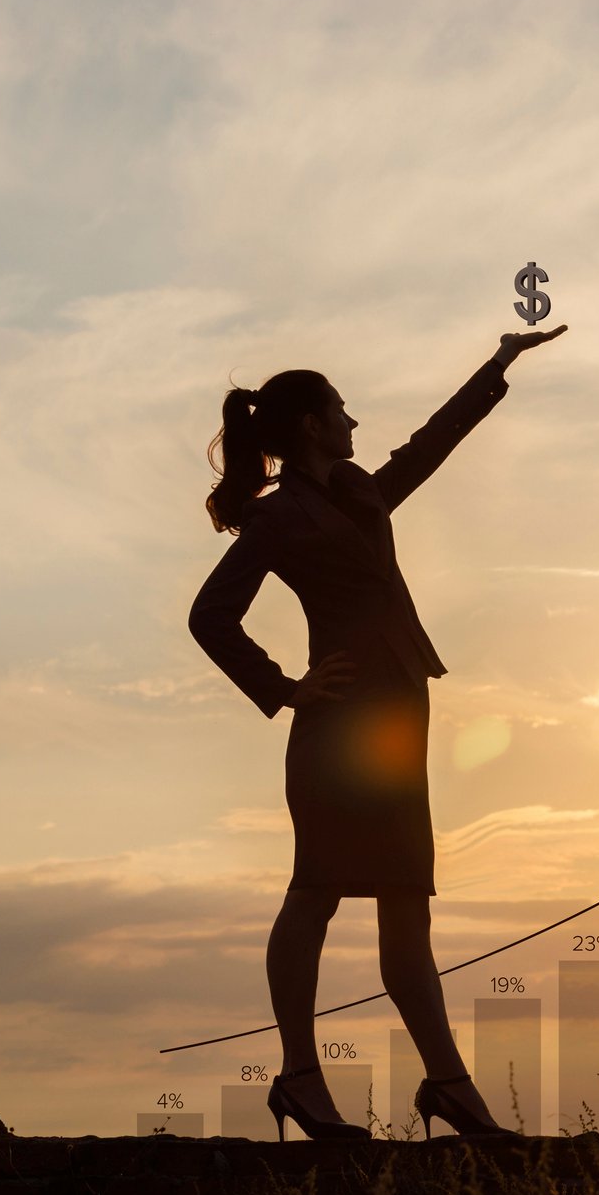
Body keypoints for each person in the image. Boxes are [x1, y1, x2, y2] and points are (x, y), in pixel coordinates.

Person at [189, 324, 569, 1139]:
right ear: (311, 427)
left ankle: (448, 1085)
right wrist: (285, 688)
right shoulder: (278, 519)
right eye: (342, 410)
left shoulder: (358, 491)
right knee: (317, 892)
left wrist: (496, 366)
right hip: (339, 725)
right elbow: (210, 615)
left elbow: (426, 449)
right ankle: (296, 1074)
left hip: (397, 720)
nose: (354, 423)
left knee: (406, 903)